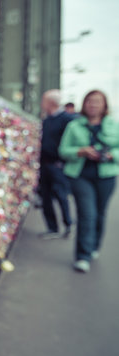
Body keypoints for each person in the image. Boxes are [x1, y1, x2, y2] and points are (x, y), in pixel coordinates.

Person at [58, 90, 119, 273]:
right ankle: (82, 255)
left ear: (104, 105)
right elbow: (63, 150)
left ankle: (93, 246)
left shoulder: (113, 125)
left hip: (106, 175)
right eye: (90, 101)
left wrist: (110, 155)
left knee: (100, 213)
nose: (93, 105)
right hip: (81, 175)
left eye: (97, 102)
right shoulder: (74, 126)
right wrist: (81, 151)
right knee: (87, 214)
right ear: (84, 104)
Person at [39, 90, 75, 239]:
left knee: (61, 195)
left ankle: (67, 224)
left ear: (51, 103)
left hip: (58, 164)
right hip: (45, 163)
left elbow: (71, 141)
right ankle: (52, 228)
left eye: (44, 101)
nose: (42, 104)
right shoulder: (47, 120)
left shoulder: (67, 119)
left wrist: (64, 161)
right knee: (45, 196)